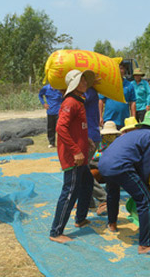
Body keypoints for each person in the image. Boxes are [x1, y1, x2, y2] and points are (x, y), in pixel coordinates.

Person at [98, 110, 150, 256]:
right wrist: (146, 186)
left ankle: (112, 224)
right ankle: (145, 245)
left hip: (104, 165)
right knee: (146, 200)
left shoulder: (131, 133)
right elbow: (146, 165)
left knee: (112, 192)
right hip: (120, 167)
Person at [49, 69, 96, 244]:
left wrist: (87, 140)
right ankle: (56, 231)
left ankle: (80, 218)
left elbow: (76, 128)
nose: (85, 84)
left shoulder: (78, 101)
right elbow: (61, 128)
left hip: (81, 156)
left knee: (88, 183)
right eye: (82, 81)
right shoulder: (70, 102)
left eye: (85, 81)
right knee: (70, 192)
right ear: (74, 84)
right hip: (74, 158)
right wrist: (76, 150)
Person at [85, 86, 108, 214]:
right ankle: (88, 201)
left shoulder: (89, 91)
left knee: (82, 172)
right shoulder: (89, 91)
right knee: (83, 170)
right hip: (89, 135)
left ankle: (104, 198)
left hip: (90, 137)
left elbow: (79, 100)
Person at [99, 62, 136, 129]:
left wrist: (133, 118)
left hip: (124, 121)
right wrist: (100, 116)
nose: (119, 71)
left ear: (124, 70)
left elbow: (132, 102)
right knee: (109, 139)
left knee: (124, 139)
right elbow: (101, 100)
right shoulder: (107, 84)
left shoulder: (129, 85)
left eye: (121, 68)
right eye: (116, 69)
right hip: (109, 120)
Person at [38, 84, 63, 148]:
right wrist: (44, 104)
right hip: (50, 111)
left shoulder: (60, 88)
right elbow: (40, 95)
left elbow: (64, 97)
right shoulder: (45, 88)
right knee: (50, 128)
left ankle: (61, 143)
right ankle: (51, 143)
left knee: (60, 128)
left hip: (59, 112)